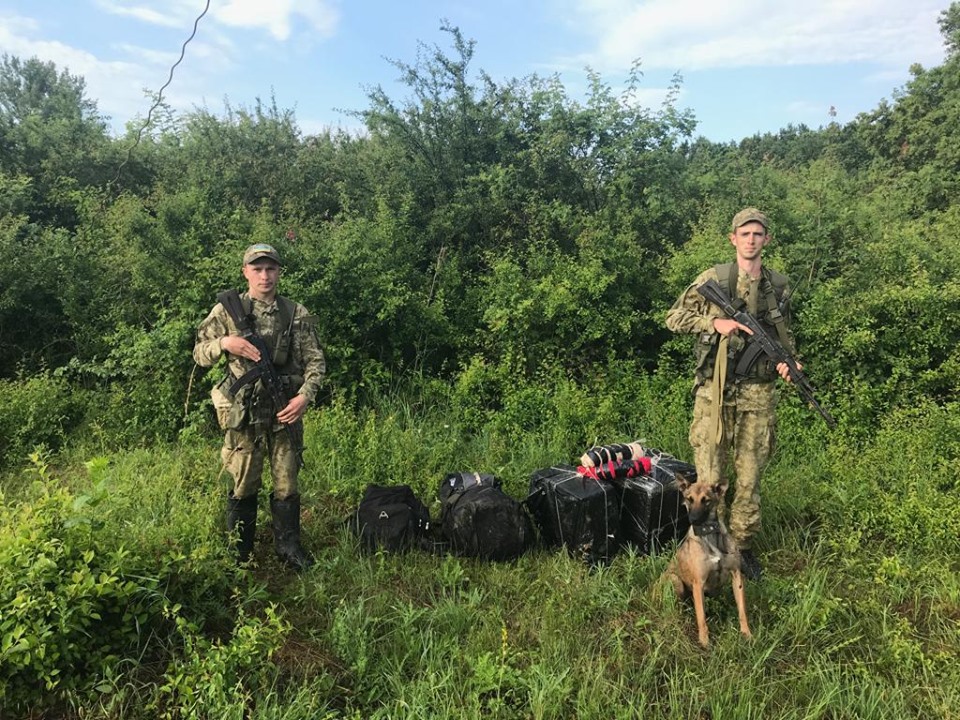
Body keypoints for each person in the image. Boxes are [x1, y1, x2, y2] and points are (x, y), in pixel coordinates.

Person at [665, 208, 798, 581]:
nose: (752, 240)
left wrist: (790, 364)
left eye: (758, 234)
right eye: (745, 233)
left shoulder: (779, 287)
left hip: (758, 394)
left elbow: (782, 339)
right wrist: (714, 322)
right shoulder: (714, 279)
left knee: (749, 476)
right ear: (733, 238)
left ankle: (741, 550)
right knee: (708, 476)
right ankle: (707, 546)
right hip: (714, 393)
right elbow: (674, 317)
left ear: (767, 239)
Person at [193, 243, 325, 571]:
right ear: (245, 272)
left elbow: (315, 361)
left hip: (284, 410)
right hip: (244, 412)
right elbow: (199, 352)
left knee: (286, 483)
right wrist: (225, 343)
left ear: (279, 272)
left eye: (270, 269)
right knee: (242, 482)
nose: (264, 276)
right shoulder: (227, 311)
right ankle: (240, 552)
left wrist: (304, 397)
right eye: (257, 269)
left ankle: (288, 546)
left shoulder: (296, 312)